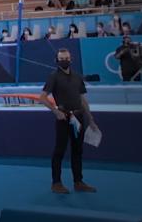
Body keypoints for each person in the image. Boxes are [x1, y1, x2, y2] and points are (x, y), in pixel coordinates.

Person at [40, 48, 98, 194]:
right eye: (61, 59)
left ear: (71, 59)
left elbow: (82, 99)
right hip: (63, 118)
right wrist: (55, 111)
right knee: (59, 150)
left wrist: (90, 118)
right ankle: (56, 183)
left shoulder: (77, 77)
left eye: (66, 58)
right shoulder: (53, 77)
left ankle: (78, 182)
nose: (64, 61)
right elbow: (42, 97)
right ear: (57, 60)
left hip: (78, 118)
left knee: (78, 150)